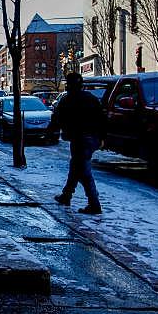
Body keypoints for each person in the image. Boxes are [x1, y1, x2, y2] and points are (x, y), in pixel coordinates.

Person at [48, 72, 106, 214]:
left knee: (83, 171)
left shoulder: (67, 100)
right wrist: (102, 138)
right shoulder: (91, 99)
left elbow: (56, 120)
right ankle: (66, 195)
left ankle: (94, 204)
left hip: (79, 139)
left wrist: (49, 133)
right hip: (91, 138)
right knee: (76, 167)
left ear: (69, 85)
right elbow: (102, 119)